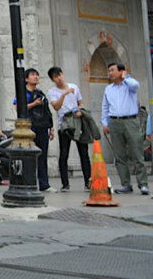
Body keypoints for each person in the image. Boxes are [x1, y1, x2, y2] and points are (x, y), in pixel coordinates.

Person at [101, 63, 148, 195]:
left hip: (131, 121)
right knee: (119, 155)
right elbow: (105, 107)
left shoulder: (129, 85)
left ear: (121, 71)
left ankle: (143, 184)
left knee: (137, 153)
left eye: (113, 70)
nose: (110, 73)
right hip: (115, 122)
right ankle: (126, 184)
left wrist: (125, 77)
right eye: (109, 71)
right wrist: (105, 123)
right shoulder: (108, 89)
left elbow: (136, 85)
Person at [48, 66, 92, 192]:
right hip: (64, 125)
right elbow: (56, 107)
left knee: (84, 153)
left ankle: (88, 182)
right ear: (53, 80)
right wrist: (64, 94)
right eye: (56, 77)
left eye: (60, 75)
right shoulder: (53, 92)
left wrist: (81, 111)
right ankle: (65, 184)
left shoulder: (75, 87)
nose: (59, 78)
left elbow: (80, 103)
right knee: (64, 154)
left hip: (77, 123)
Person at [15, 68, 54, 191]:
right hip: (29, 129)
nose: (36, 77)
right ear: (26, 79)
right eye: (32, 75)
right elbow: (18, 108)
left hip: (42, 128)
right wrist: (34, 104)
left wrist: (51, 127)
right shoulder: (22, 93)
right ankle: (28, 183)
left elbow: (47, 111)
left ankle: (44, 184)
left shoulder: (41, 93)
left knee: (42, 157)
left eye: (37, 75)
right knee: (29, 157)